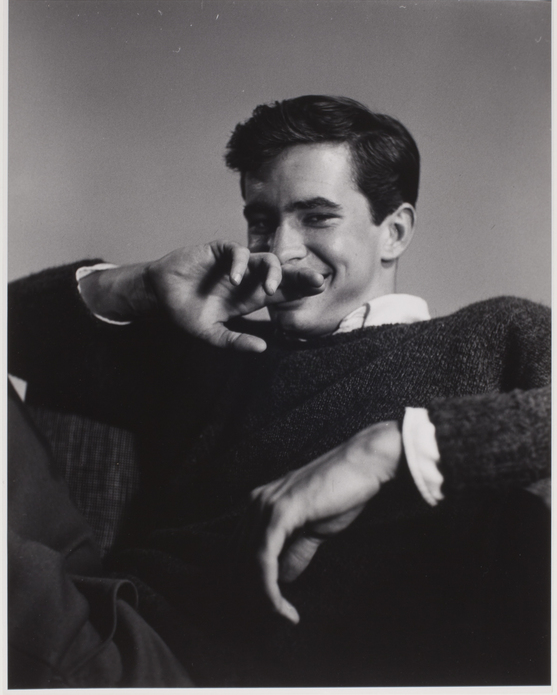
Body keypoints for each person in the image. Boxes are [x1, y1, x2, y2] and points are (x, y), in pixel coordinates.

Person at [8, 96, 550, 687]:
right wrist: (139, 284)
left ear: (394, 231)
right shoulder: (215, 338)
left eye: (317, 218)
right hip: (99, 622)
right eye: (262, 220)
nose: (279, 248)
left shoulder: (491, 337)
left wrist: (392, 450)